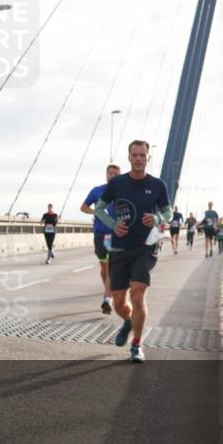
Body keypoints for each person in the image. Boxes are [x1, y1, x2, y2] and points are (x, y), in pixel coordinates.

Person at [94, 141, 171, 363]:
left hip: (145, 247)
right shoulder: (117, 183)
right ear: (129, 158)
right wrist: (112, 224)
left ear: (148, 158)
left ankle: (137, 345)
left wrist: (157, 218)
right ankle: (128, 321)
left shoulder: (157, 185)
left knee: (138, 293)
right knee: (119, 302)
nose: (139, 158)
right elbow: (99, 209)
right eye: (135, 155)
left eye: (142, 155)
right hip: (119, 247)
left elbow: (167, 213)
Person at [81, 164, 120, 314]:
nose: (113, 176)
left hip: (114, 235)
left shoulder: (123, 192)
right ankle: (109, 292)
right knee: (104, 268)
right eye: (111, 173)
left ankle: (107, 299)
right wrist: (95, 212)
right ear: (106, 175)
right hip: (99, 234)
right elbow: (83, 207)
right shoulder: (96, 191)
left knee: (110, 267)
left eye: (116, 174)